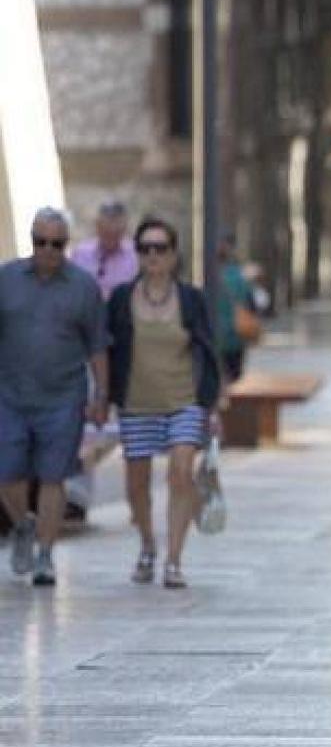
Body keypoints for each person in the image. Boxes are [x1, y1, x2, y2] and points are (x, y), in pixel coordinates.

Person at [107, 217, 222, 589]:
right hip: (137, 403)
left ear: (174, 255)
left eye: (161, 248)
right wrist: (102, 396)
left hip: (184, 400)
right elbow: (108, 351)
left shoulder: (191, 299)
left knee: (181, 472)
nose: (153, 255)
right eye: (145, 248)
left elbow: (207, 349)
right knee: (136, 484)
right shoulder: (122, 299)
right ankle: (147, 546)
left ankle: (174, 560)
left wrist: (214, 404)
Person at [0, 207, 108, 586]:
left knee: (53, 476)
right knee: (6, 473)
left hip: (63, 397)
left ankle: (44, 555)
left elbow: (97, 346)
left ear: (66, 245)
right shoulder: (6, 279)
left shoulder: (82, 287)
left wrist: (102, 395)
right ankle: (22, 526)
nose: (48, 250)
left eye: (56, 244)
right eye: (40, 242)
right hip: (9, 396)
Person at [71, 200, 139, 301]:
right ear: (97, 227)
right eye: (106, 232)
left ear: (124, 229)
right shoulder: (81, 253)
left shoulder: (135, 254)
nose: (110, 238)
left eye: (116, 233)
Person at [215, 233, 255, 382]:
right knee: (235, 379)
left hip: (216, 338)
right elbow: (252, 305)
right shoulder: (240, 277)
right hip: (238, 337)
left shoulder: (209, 277)